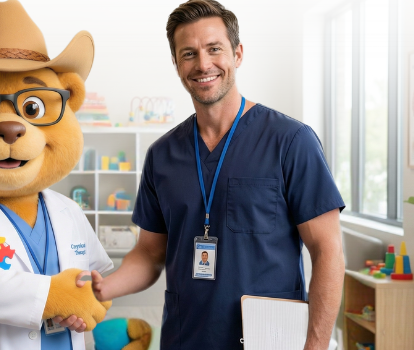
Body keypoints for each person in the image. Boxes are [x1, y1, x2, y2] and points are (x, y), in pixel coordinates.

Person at [63, 1, 346, 349]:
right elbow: (150, 254)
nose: (203, 64)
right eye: (188, 54)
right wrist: (103, 287)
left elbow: (327, 249)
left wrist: (315, 344)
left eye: (214, 49)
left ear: (237, 54)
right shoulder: (162, 155)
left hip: (271, 339)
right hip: (188, 336)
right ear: (176, 63)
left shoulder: (290, 141)